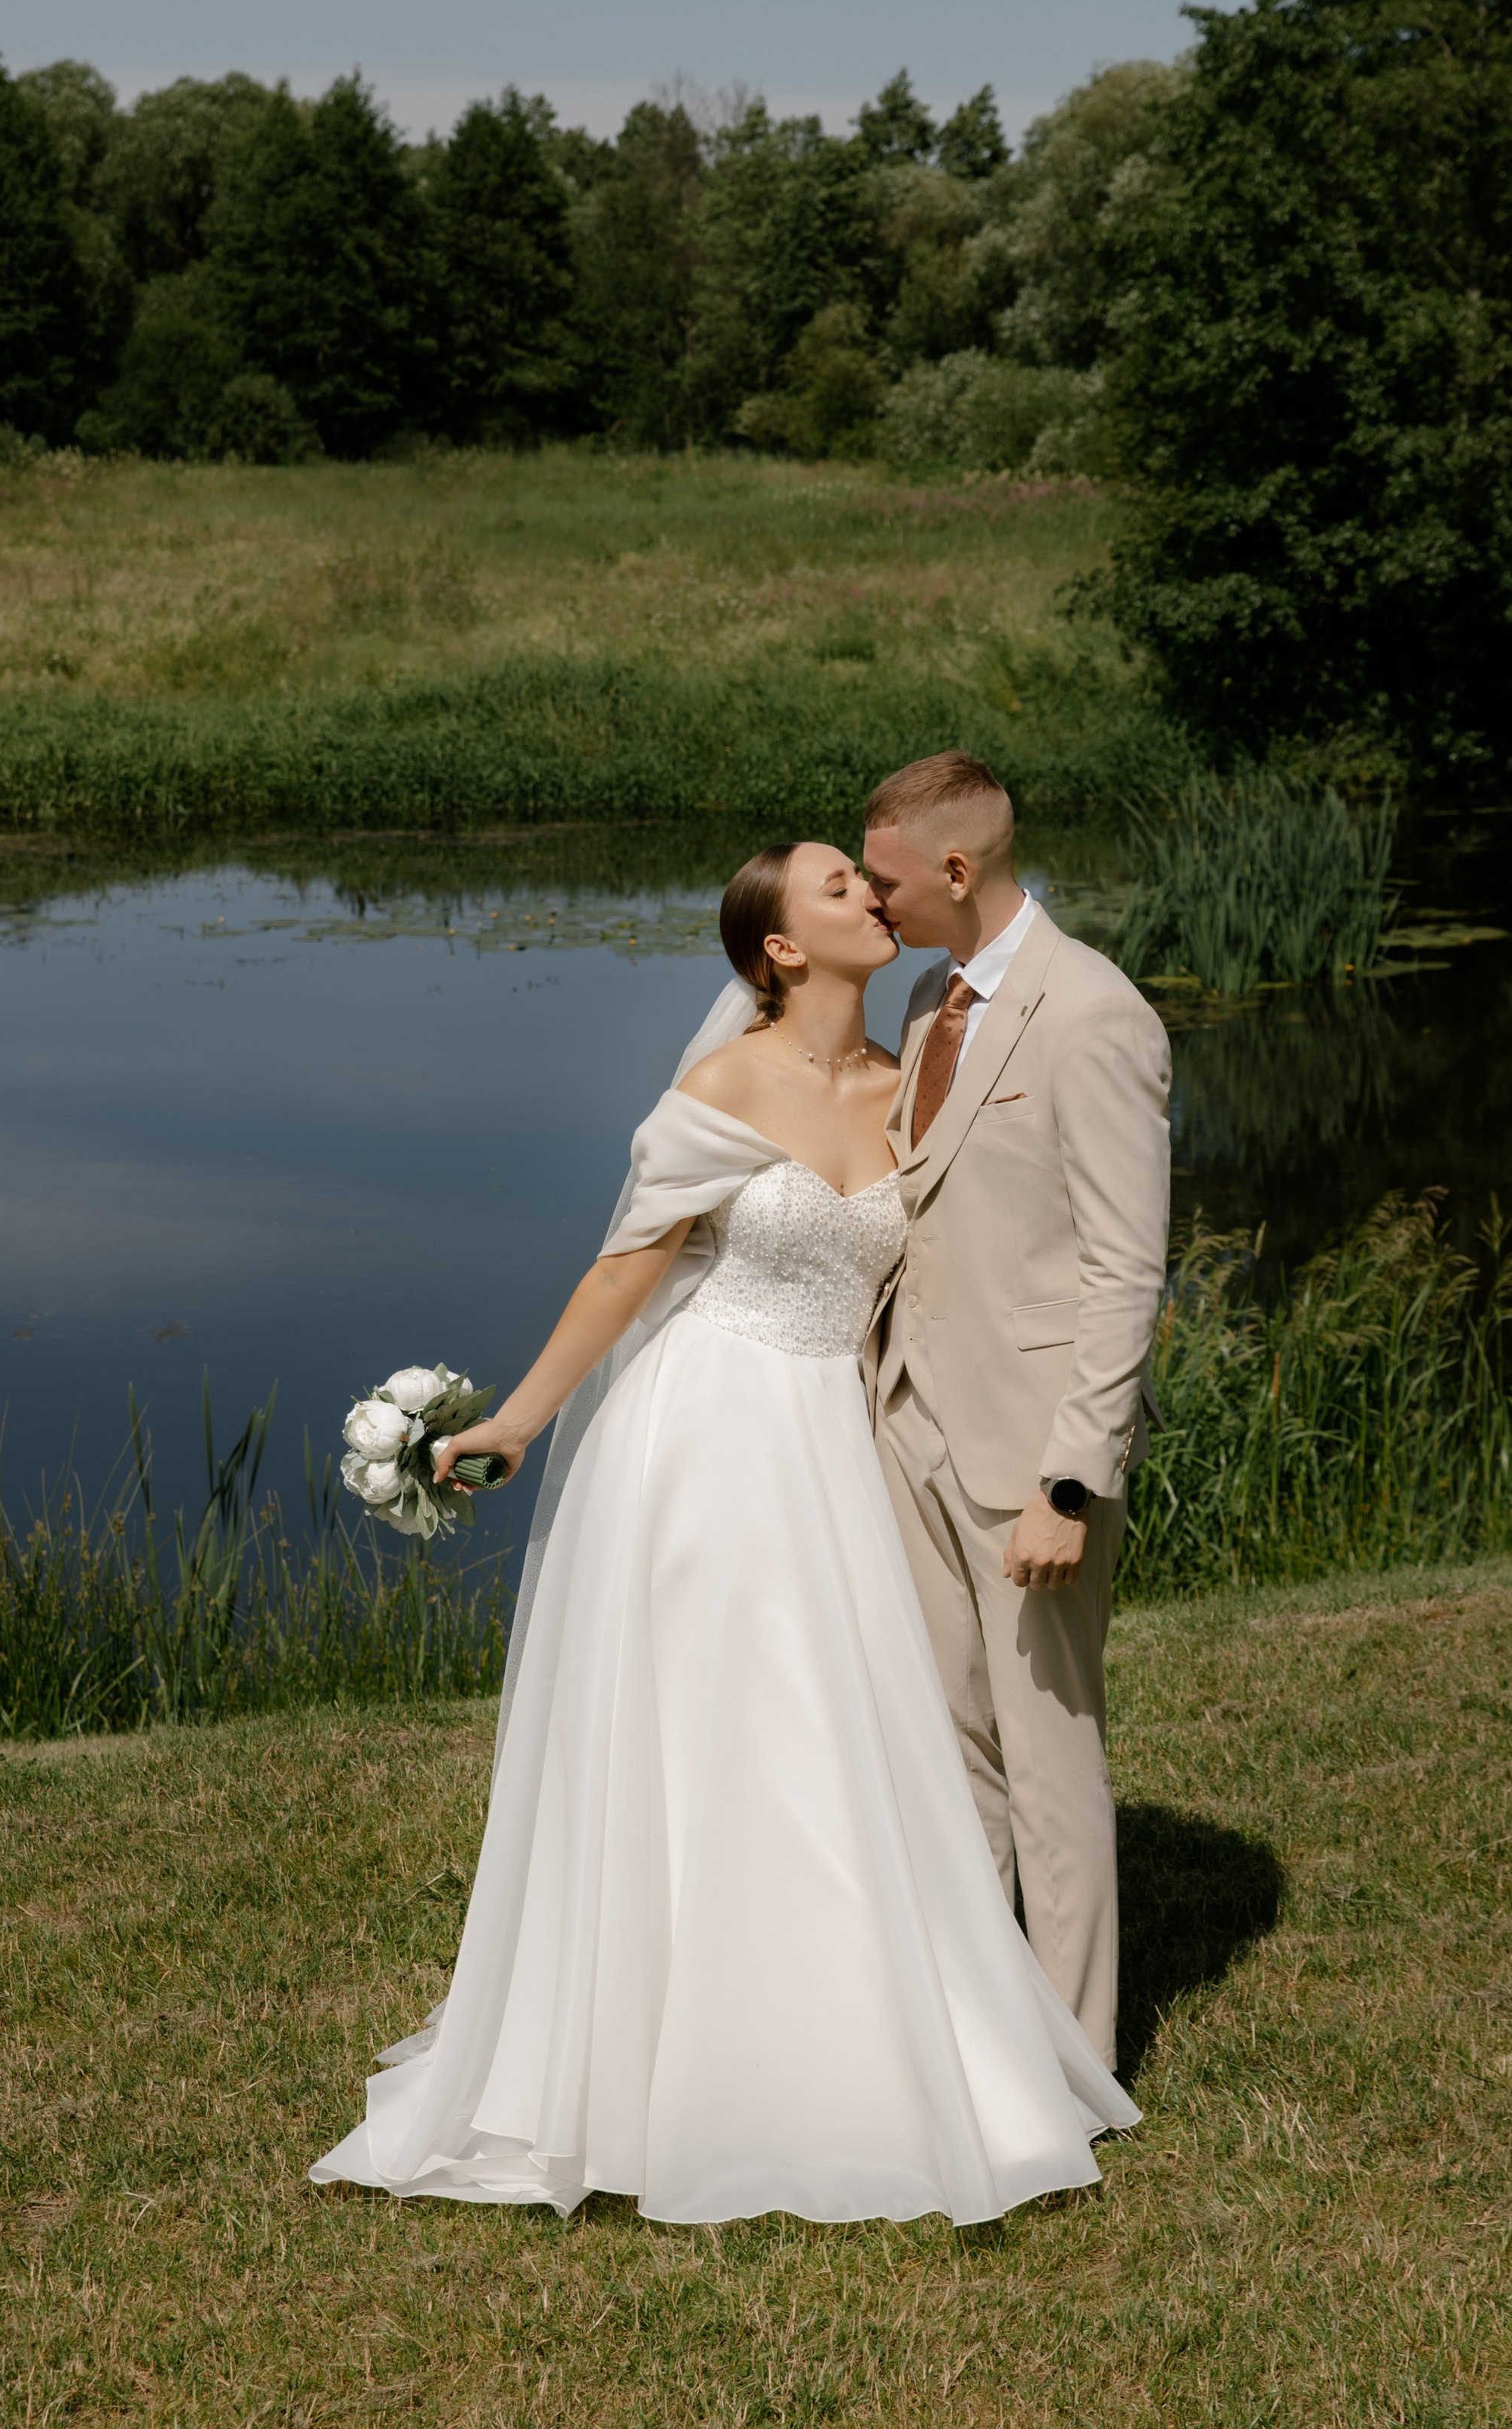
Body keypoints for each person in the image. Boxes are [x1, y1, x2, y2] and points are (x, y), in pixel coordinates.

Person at [310, 839, 1135, 2224]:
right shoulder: (722, 1087)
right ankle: (667, 2052)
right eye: (838, 886)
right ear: (782, 949)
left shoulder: (906, 1082)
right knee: (719, 1724)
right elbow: (624, 1272)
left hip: (838, 1442)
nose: (871, 895)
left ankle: (842, 2026)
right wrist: (516, 1420)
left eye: (867, 878)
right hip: (706, 1434)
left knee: (836, 1727)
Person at [861, 754, 1171, 2072]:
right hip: (908, 1422)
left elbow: (1126, 1270)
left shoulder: (1093, 1013)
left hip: (1031, 1458)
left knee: (1047, 1761)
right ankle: (980, 2045)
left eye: (884, 880)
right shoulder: (927, 999)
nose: (870, 902)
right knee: (947, 1746)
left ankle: (1077, 2068)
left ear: (956, 869)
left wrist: (1071, 1482)